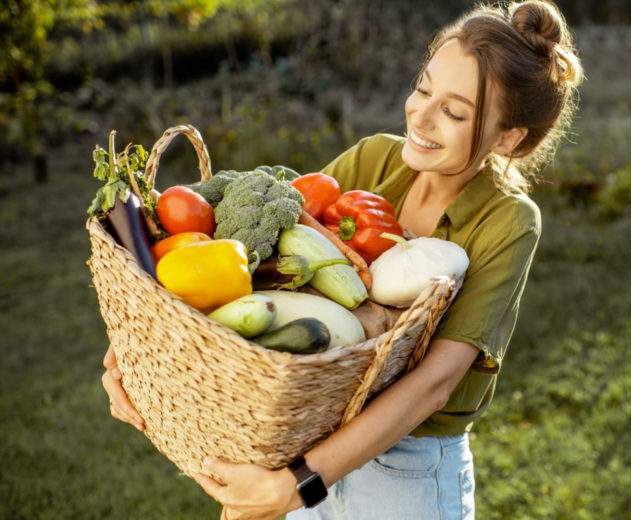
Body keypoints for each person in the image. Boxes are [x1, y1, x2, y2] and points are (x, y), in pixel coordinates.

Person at [101, 1, 583, 518]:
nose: (421, 116)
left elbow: (435, 385)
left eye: (454, 112)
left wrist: (298, 485)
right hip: (308, 434)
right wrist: (135, 356)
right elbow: (249, 268)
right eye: (423, 88)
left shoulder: (507, 221)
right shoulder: (375, 157)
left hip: (402, 474)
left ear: (508, 138)